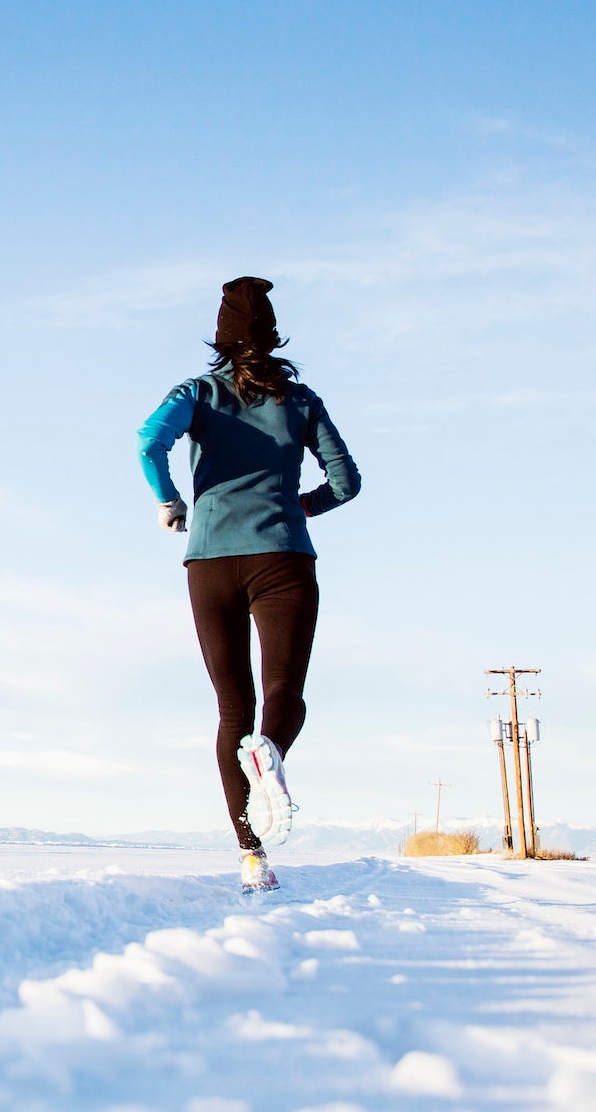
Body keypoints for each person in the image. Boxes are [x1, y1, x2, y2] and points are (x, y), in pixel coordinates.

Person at [137, 277, 361, 894]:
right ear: (271, 333)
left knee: (231, 708)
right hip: (283, 558)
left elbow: (147, 441)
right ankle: (272, 752)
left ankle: (251, 855)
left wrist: (170, 501)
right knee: (283, 691)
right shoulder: (302, 398)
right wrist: (302, 506)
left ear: (220, 337)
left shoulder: (198, 392)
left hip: (208, 562)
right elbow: (347, 482)